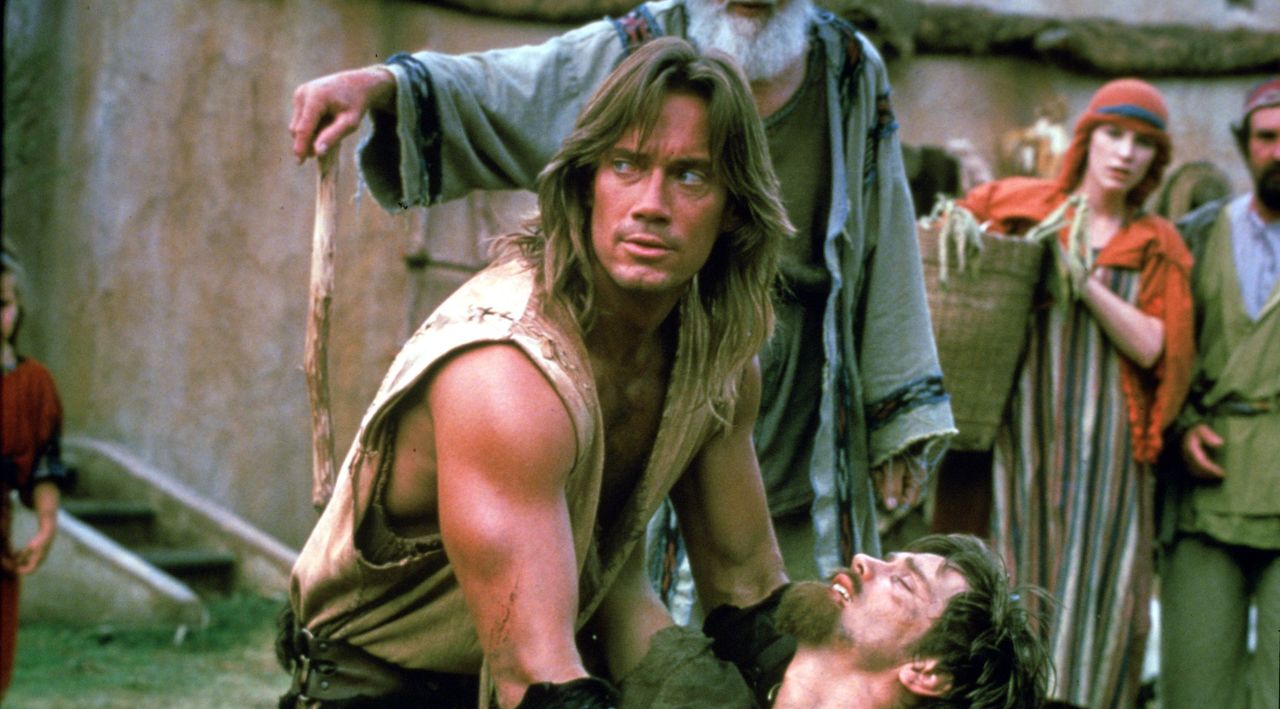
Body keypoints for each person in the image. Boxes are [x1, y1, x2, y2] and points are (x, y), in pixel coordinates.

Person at [288, 0, 955, 585]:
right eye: (632, 166)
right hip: (667, 384)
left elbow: (887, 235)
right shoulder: (636, 51)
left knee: (781, 610)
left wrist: (898, 408)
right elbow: (515, 86)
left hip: (800, 414)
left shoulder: (848, 68)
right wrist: (381, 85)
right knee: (644, 618)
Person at [282, 38, 795, 709]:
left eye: (691, 176)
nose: (651, 203)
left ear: (733, 208)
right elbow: (539, 682)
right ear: (585, 185)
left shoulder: (714, 352)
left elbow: (748, 593)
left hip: (559, 668)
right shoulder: (507, 368)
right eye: (626, 165)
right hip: (385, 694)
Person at [954, 79, 1195, 709]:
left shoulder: (1156, 242)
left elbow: (1154, 345)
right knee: (1015, 579)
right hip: (1025, 438)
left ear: (1156, 159)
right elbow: (962, 235)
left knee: (1102, 599)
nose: (1126, 153)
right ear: (1088, 140)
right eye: (1113, 135)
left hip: (1112, 453)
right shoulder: (1030, 208)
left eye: (1143, 143)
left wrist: (1081, 278)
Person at [1158, 77, 1280, 709]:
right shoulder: (1194, 237)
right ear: (1244, 144)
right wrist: (1180, 426)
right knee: (1195, 692)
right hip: (1208, 487)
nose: (1279, 152)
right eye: (1268, 137)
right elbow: (1161, 351)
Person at [758, 533, 1049, 709]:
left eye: (904, 582)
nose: (861, 560)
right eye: (888, 561)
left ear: (926, 671)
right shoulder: (746, 661)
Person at [0, 250, 68, 702]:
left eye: (2, 303)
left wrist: (46, 526)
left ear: (18, 306)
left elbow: (45, 462)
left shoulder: (32, 384)